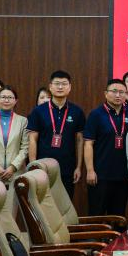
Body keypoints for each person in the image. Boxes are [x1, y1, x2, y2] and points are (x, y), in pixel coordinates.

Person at [27, 70, 85, 199]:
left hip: (67, 168)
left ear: (69, 87)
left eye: (64, 84)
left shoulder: (77, 111)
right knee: (43, 204)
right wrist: (33, 166)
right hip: (42, 168)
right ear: (50, 86)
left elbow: (80, 141)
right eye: (57, 83)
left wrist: (78, 167)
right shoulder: (38, 111)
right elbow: (32, 139)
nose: (60, 87)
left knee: (65, 204)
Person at [84, 79, 128, 217]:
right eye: (114, 91)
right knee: (97, 214)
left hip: (123, 175)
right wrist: (90, 170)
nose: (118, 95)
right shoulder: (96, 114)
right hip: (100, 175)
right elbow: (88, 144)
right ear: (106, 93)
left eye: (121, 92)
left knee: (118, 215)